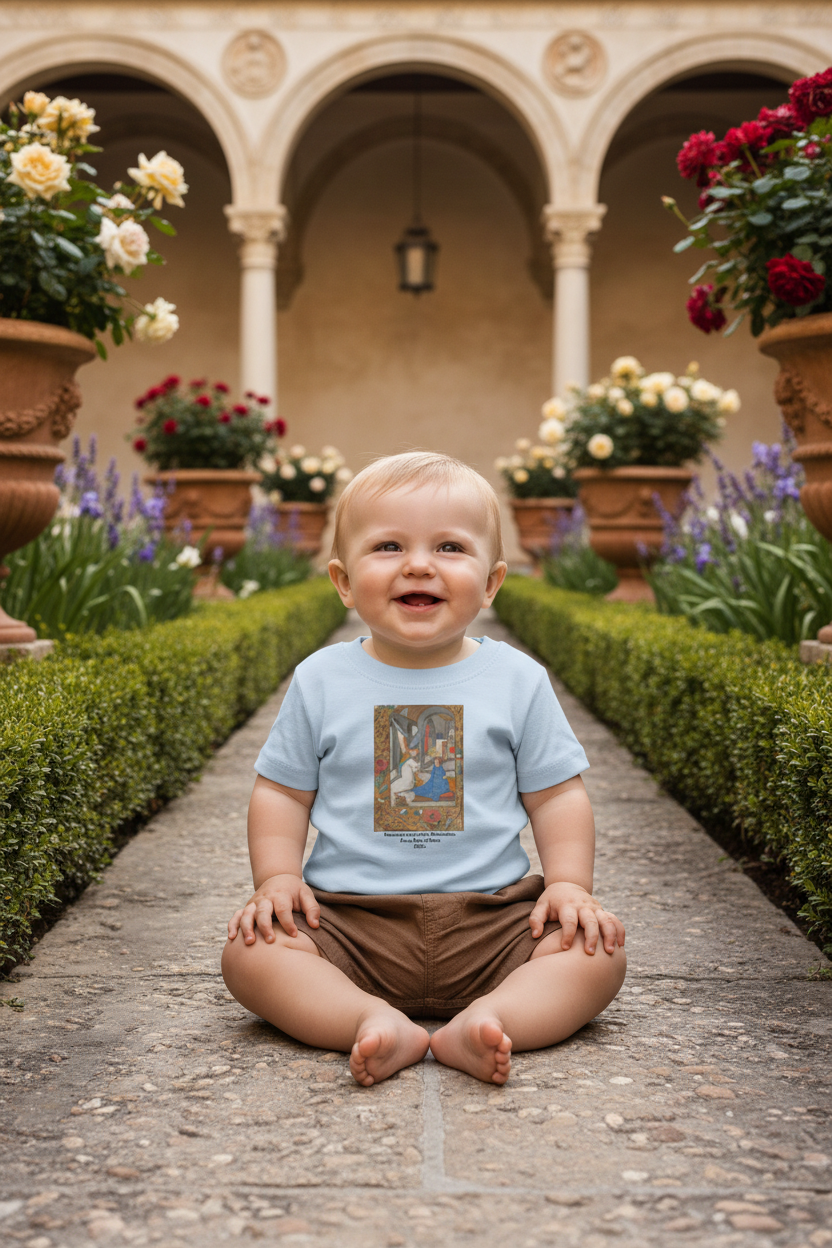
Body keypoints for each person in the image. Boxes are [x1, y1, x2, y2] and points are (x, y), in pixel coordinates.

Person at [222, 451, 626, 1088]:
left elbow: (557, 796)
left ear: (491, 582)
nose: (418, 564)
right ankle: (368, 1019)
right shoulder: (321, 679)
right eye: (387, 545)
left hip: (494, 920)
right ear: (343, 580)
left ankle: (489, 1020)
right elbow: (282, 791)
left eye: (449, 546)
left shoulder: (517, 680)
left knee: (595, 955)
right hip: (350, 922)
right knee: (251, 956)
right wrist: (275, 879)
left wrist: (569, 886)